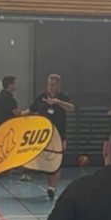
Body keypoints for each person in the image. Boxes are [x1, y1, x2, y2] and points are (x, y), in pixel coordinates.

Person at [30, 74, 76, 202]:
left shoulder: (63, 96)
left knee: (58, 160)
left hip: (59, 134)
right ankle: (50, 185)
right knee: (47, 161)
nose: (51, 87)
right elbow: (31, 109)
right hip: (44, 134)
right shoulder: (41, 96)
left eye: (53, 85)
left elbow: (71, 108)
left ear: (58, 85)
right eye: (49, 84)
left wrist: (58, 102)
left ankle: (53, 186)